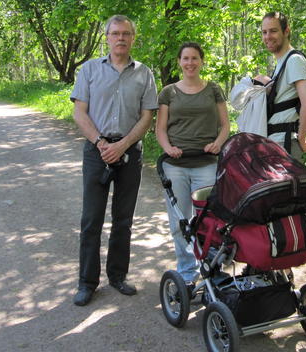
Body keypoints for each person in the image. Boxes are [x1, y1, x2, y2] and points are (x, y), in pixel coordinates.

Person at [70, 15, 158, 306]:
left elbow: (148, 116)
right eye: (115, 33)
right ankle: (87, 283)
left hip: (130, 153)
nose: (120, 38)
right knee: (91, 220)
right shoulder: (90, 70)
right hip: (97, 153)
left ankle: (118, 276)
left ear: (133, 38)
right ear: (106, 37)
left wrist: (122, 145)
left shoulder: (144, 73)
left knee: (124, 220)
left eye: (126, 34)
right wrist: (101, 143)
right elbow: (79, 112)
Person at [155, 42, 230, 285]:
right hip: (175, 166)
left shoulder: (214, 90)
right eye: (185, 58)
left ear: (201, 61)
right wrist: (168, 149)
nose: (190, 63)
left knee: (210, 222)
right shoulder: (168, 92)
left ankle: (213, 270)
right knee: (180, 222)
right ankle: (187, 272)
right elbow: (160, 129)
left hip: (207, 164)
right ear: (179, 62)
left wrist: (218, 143)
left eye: (195, 58)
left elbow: (225, 125)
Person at [254, 11, 306, 159]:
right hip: (276, 145)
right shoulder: (281, 64)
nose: (267, 37)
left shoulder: (294, 60)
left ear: (286, 31)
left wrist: (300, 138)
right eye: (264, 32)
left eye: (273, 31)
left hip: (284, 147)